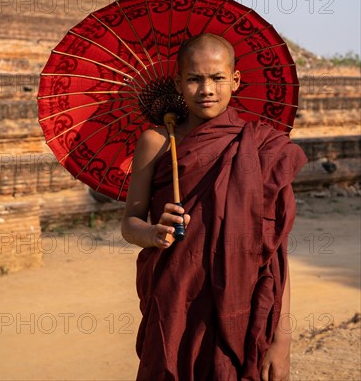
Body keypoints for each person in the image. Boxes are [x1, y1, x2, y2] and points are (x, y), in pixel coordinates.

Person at [121, 33, 307, 381]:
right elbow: (129, 223)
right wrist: (153, 232)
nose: (206, 89)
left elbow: (275, 251)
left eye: (218, 77)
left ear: (235, 80)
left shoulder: (259, 146)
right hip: (175, 302)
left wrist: (282, 340)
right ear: (178, 81)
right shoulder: (157, 142)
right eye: (194, 78)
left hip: (242, 303)